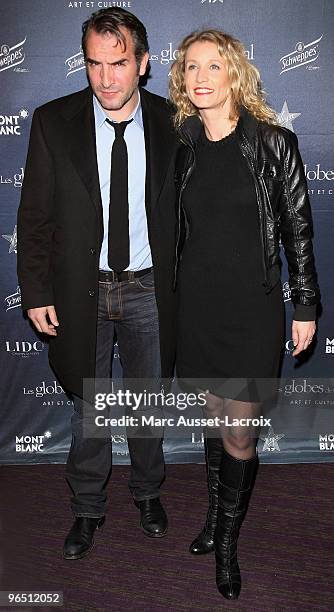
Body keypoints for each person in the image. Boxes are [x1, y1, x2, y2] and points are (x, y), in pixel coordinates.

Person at [17, 8, 177, 560]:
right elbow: (34, 218)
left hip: (150, 289)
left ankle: (148, 492)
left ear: (143, 63)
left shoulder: (172, 122)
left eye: (119, 63)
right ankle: (87, 508)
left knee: (145, 402)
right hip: (80, 290)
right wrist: (35, 292)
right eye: (93, 63)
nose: (105, 78)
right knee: (90, 406)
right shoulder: (52, 121)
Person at [169, 29, 320, 600]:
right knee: (214, 419)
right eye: (190, 67)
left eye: (213, 65)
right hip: (198, 310)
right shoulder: (183, 145)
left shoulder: (273, 142)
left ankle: (228, 544)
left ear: (235, 73)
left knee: (238, 433)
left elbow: (298, 231)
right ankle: (213, 519)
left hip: (253, 310)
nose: (201, 77)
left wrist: (304, 304)